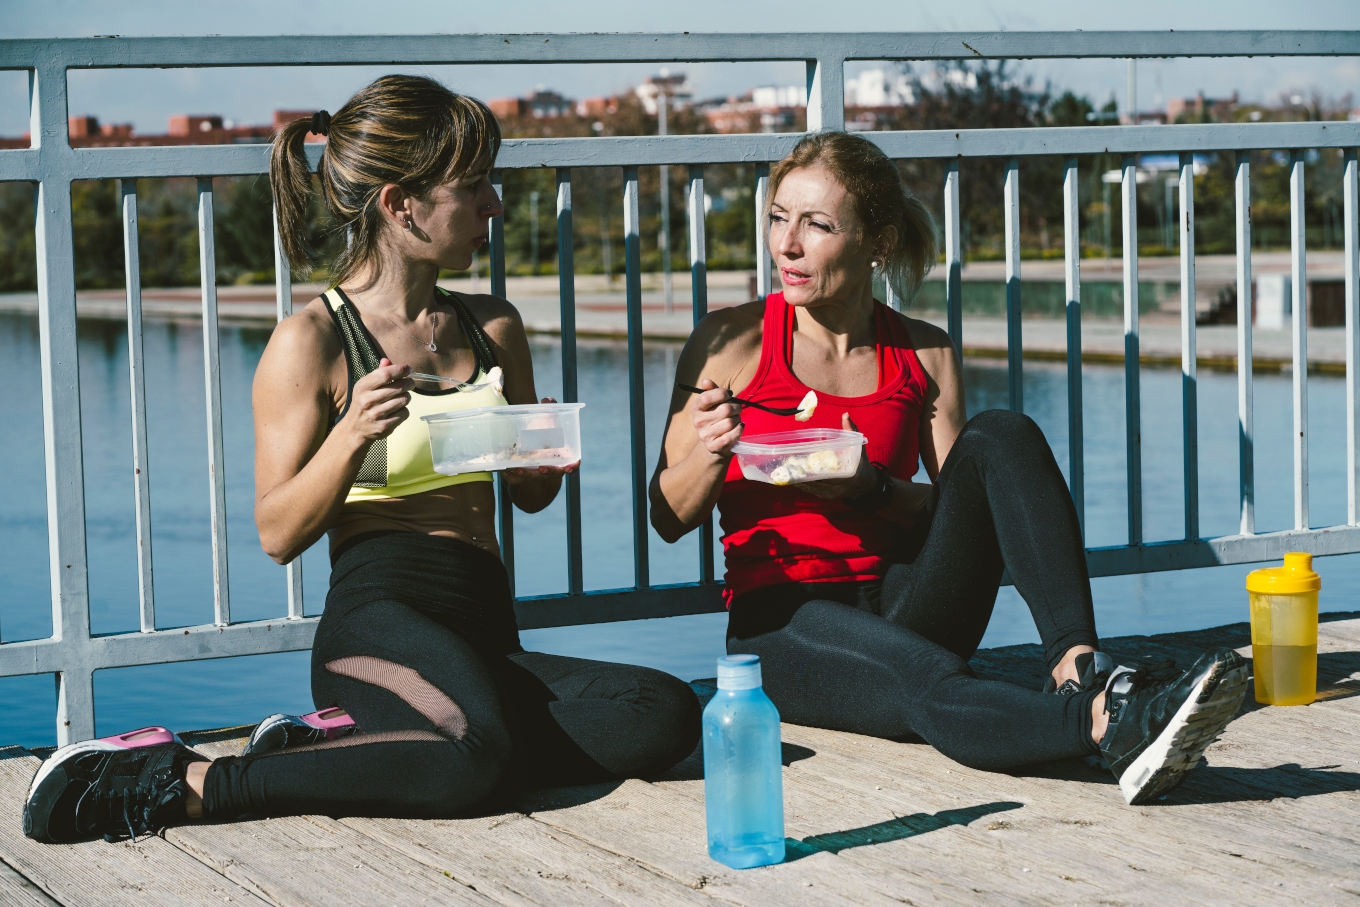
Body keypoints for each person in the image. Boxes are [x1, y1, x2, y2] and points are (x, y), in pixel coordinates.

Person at [24, 75, 699, 845]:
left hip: (483, 626)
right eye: (475, 185)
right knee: (478, 755)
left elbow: (529, 497)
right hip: (379, 624)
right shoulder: (312, 341)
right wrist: (350, 436)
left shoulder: (493, 327)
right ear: (400, 203)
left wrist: (535, 470)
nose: (495, 205)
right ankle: (187, 780)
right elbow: (277, 532)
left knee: (664, 712)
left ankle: (352, 747)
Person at [649, 131, 1246, 806]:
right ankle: (1107, 723)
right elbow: (666, 515)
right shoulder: (730, 342)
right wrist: (711, 451)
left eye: (816, 225)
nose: (786, 244)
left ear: (876, 243)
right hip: (784, 619)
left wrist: (869, 487)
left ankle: (1078, 667)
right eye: (778, 217)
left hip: (906, 598)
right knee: (924, 680)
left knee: (1002, 433)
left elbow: (959, 511)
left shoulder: (924, 351)